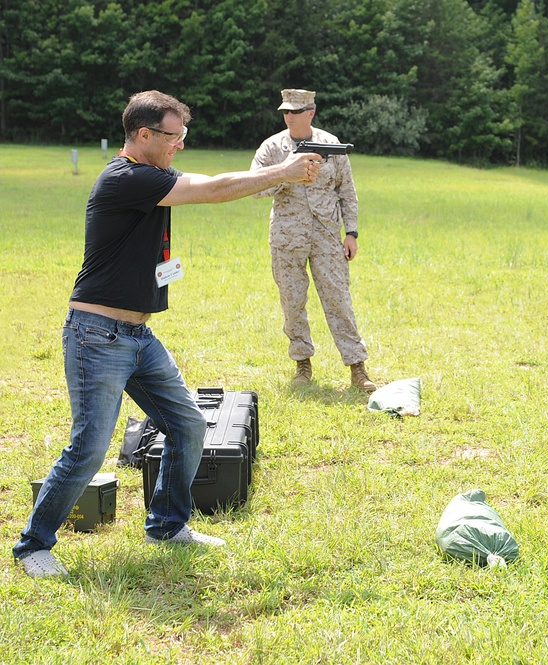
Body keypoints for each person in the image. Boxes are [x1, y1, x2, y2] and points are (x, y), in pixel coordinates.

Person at [13, 90, 320, 578]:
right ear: (143, 135)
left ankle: (167, 525)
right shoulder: (126, 177)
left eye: (182, 135)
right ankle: (33, 546)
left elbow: (212, 185)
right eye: (174, 136)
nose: (180, 145)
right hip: (98, 336)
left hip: (136, 338)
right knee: (89, 448)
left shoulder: (148, 175)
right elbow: (216, 189)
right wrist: (283, 171)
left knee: (188, 425)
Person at [251, 89, 376, 391]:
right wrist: (285, 173)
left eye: (296, 111)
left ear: (311, 112)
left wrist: (352, 232)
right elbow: (254, 186)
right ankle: (302, 364)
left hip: (326, 235)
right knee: (293, 303)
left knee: (339, 301)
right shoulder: (272, 148)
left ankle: (357, 368)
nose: (289, 116)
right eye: (285, 112)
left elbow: (347, 191)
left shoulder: (331, 145)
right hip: (287, 236)